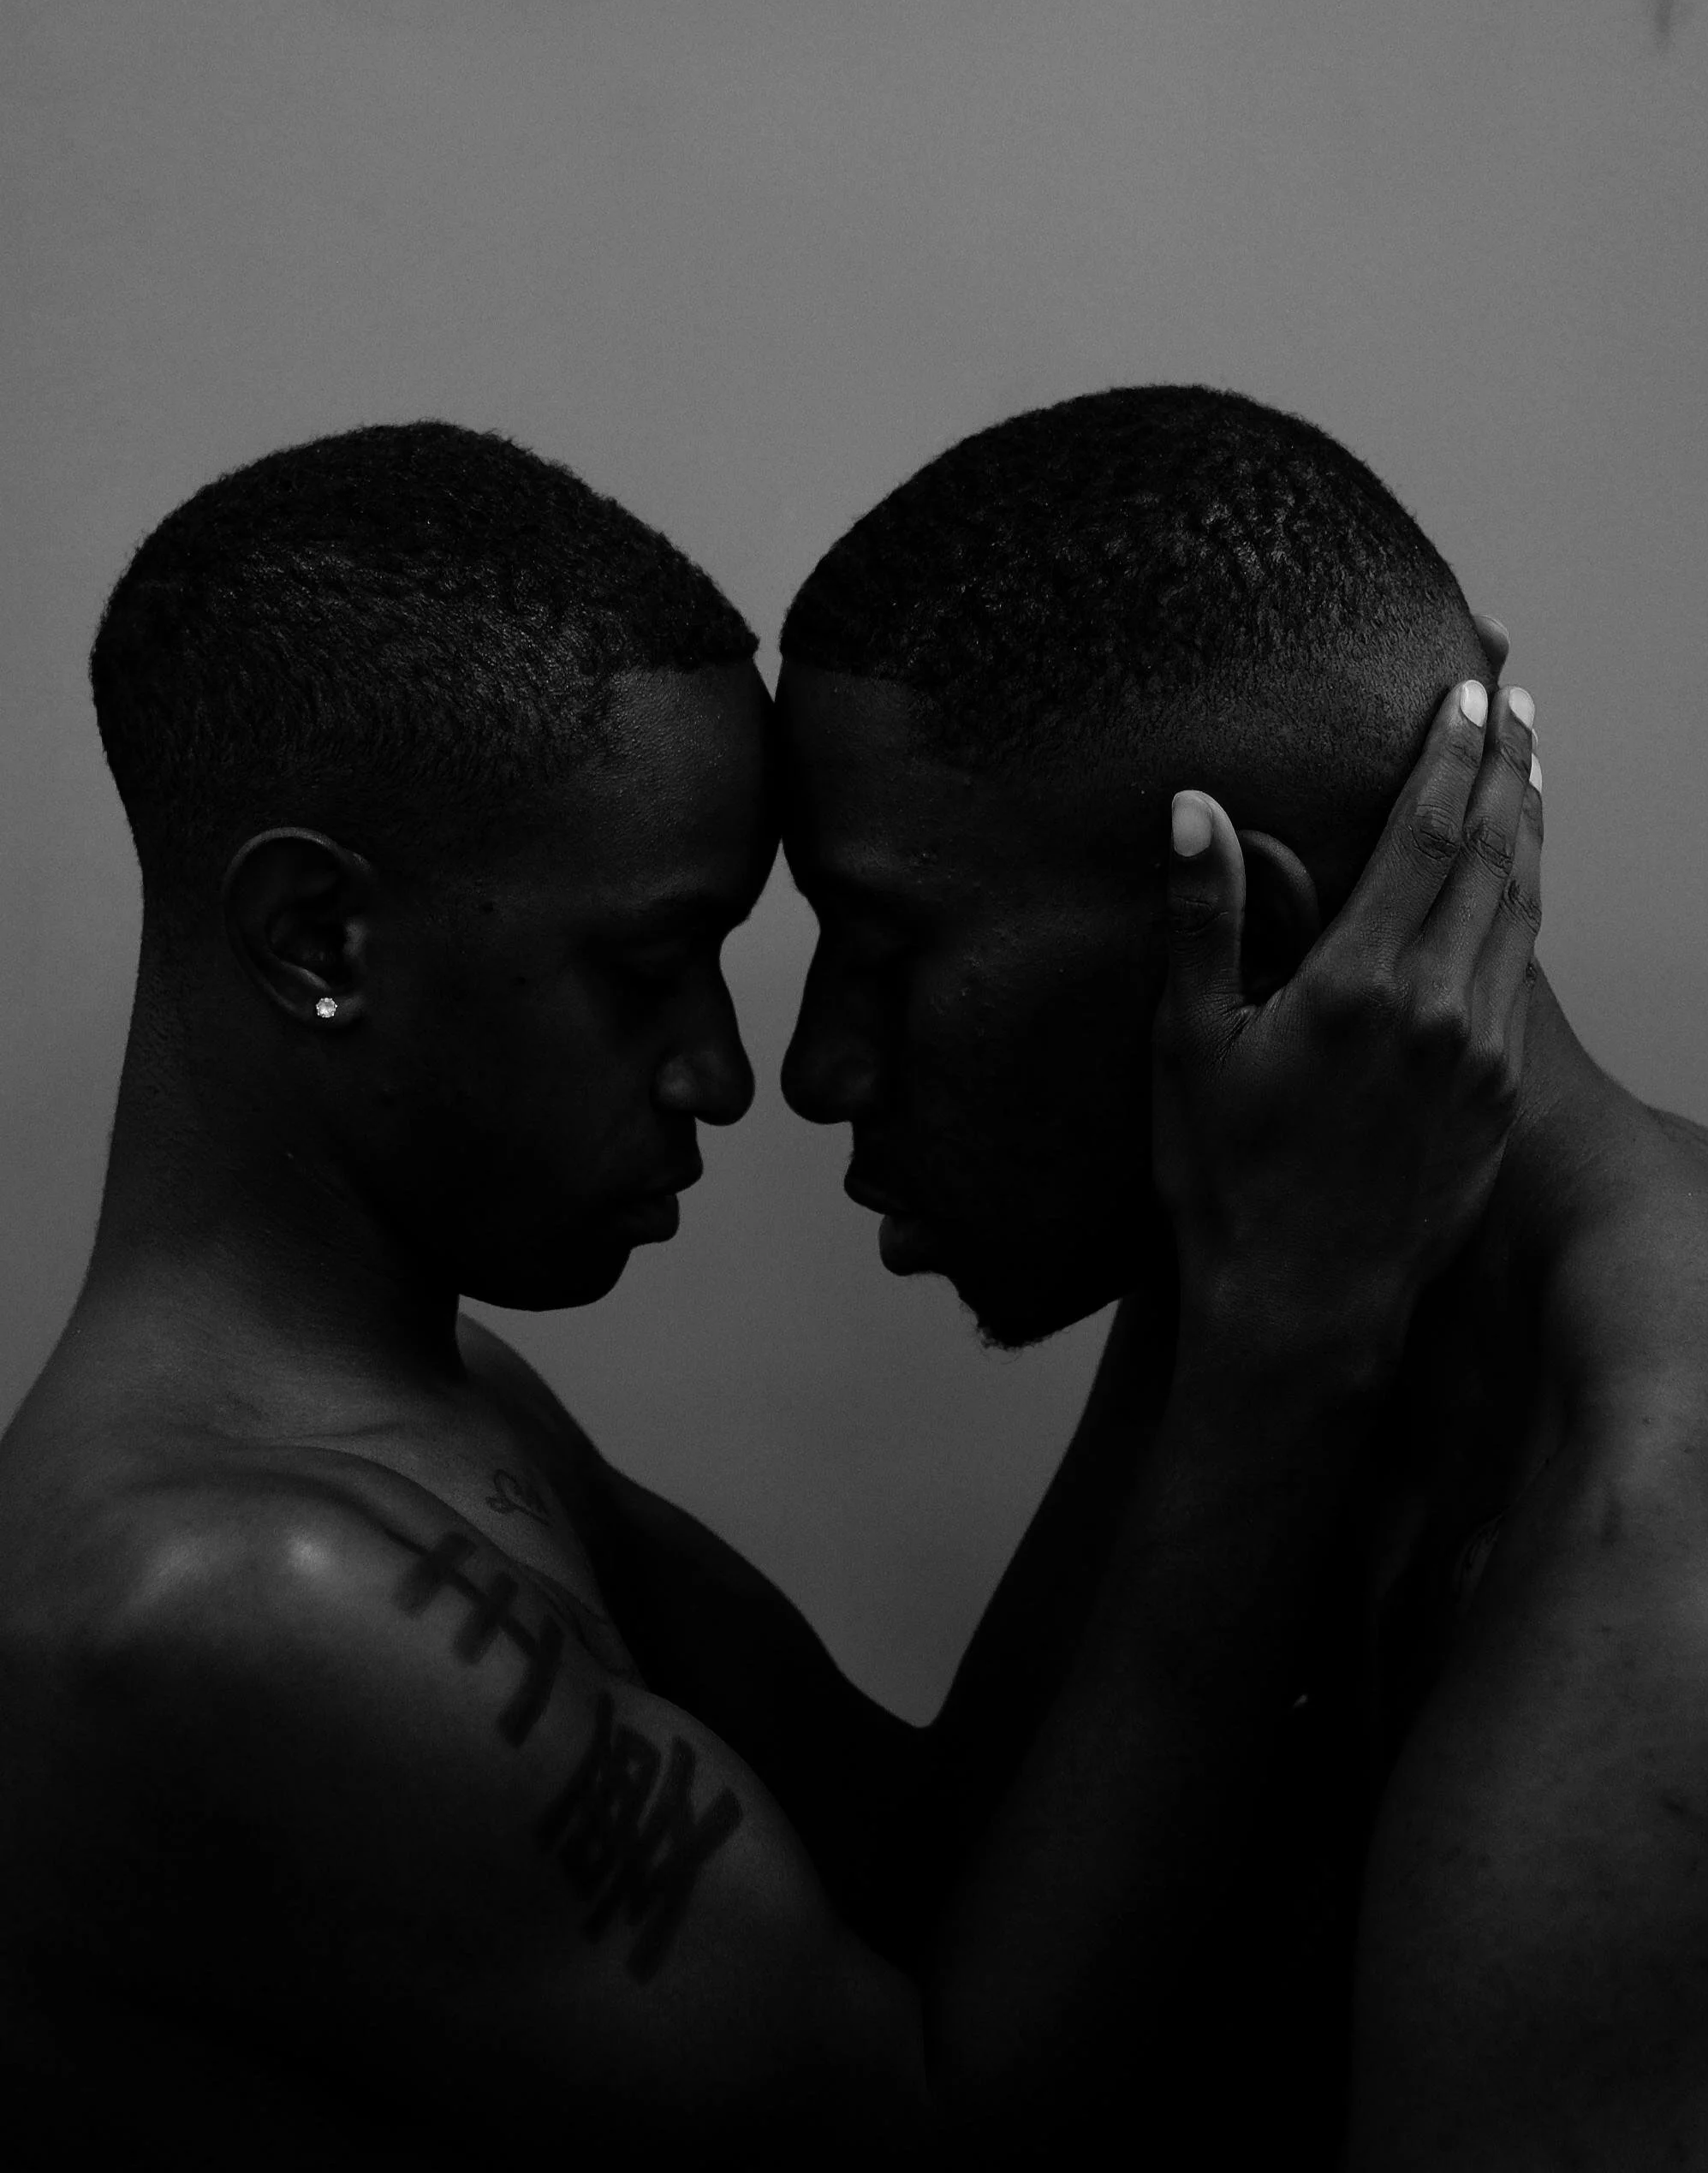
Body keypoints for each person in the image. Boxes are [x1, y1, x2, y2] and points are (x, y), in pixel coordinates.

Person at [0, 419, 1538, 2170]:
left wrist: (1209, 1193)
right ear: (316, 935)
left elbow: (920, 1853)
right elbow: (934, 2128)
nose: (728, 1074)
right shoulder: (244, 1596)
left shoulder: (431, 1411)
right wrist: (1281, 1332)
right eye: (645, 968)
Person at [776, 380, 1708, 2173]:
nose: (815, 1066)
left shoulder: (1650, 1599)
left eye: (886, 946)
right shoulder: (1280, 1284)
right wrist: (1236, 1309)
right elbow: (953, 1924)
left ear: (1259, 942)